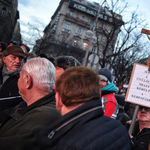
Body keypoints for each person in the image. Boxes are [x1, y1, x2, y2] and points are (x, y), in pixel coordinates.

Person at [36, 67, 131, 150]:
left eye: (103, 80)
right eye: (99, 79)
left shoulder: (67, 142)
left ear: (58, 100)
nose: (100, 83)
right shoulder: (121, 131)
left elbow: (103, 125)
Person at [0, 57, 61, 150]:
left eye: (20, 76)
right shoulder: (33, 105)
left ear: (28, 80)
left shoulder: (41, 117)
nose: (18, 80)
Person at [0, 45, 25, 113]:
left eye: (20, 58)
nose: (17, 61)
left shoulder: (25, 79)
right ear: (4, 59)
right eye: (14, 57)